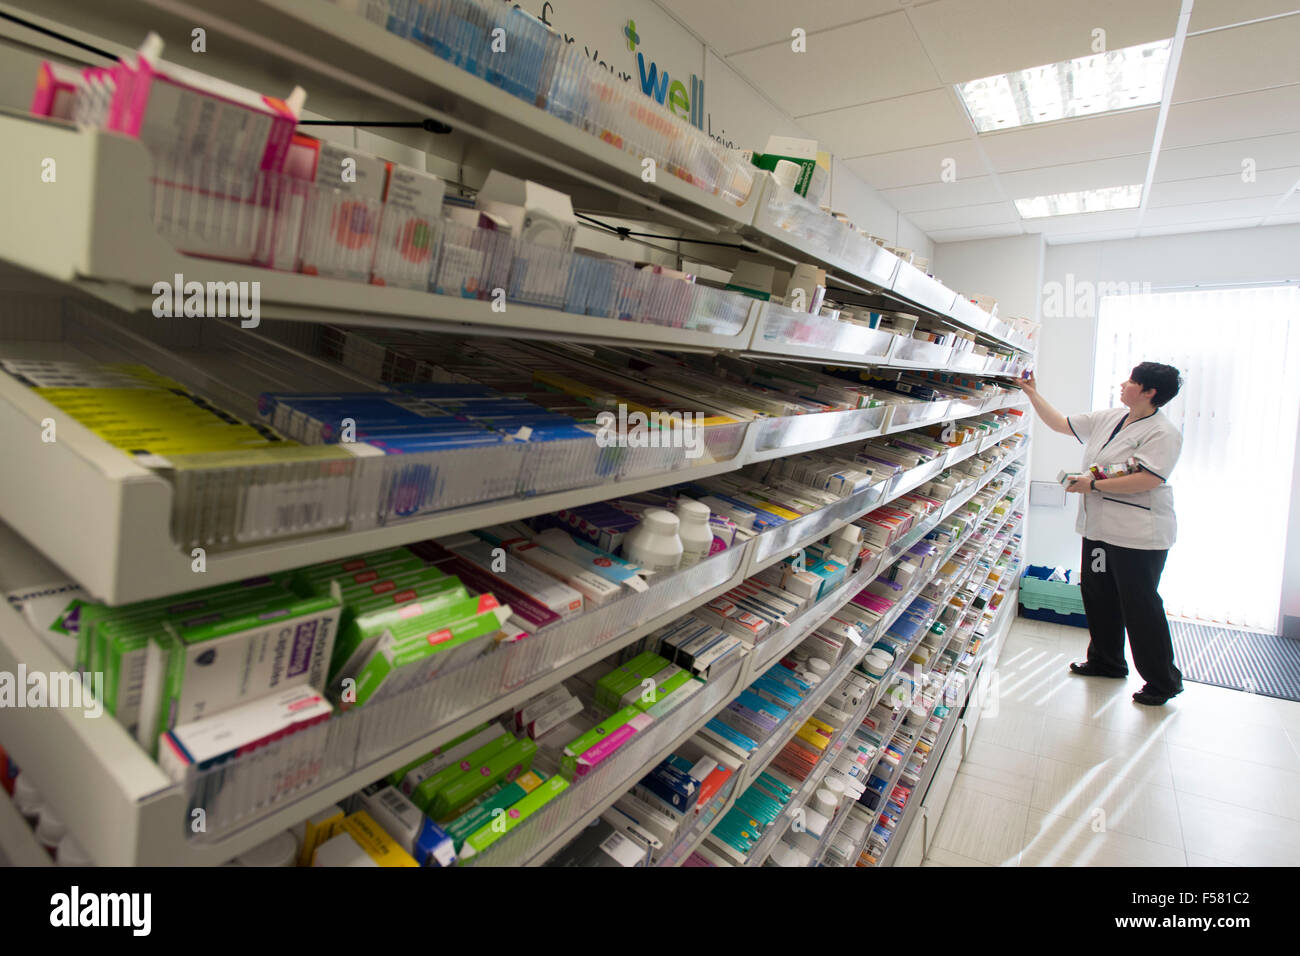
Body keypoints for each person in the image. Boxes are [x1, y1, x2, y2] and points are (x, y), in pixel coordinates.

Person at [1019, 362, 1186, 705]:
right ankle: (1106, 661)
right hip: (1100, 530)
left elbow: (1148, 479)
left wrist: (1092, 484)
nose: (1123, 384)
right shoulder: (1111, 417)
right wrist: (1032, 393)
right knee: (1099, 595)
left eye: (1131, 381)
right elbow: (1062, 424)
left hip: (1137, 535)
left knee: (1140, 605)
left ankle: (1163, 681)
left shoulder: (1163, 433)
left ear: (1149, 392)